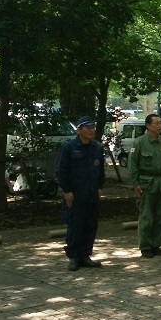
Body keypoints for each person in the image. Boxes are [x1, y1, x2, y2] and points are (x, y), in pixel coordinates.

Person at [56, 116, 106, 272]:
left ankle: (85, 255)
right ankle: (74, 257)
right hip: (76, 193)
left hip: (91, 192)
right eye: (87, 127)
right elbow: (61, 170)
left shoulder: (96, 147)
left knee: (90, 224)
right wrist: (67, 190)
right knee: (75, 225)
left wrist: (99, 187)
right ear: (78, 130)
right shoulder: (69, 147)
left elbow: (100, 170)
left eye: (92, 127)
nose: (91, 130)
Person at [127, 114, 161, 258]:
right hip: (146, 184)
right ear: (148, 126)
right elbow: (132, 164)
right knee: (146, 217)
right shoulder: (139, 142)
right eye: (156, 123)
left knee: (160, 217)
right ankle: (145, 246)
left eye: (160, 123)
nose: (159, 126)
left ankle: (156, 245)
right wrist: (136, 184)